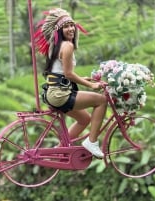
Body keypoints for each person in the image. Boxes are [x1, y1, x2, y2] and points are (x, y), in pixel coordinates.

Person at [34, 8, 107, 158]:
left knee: (85, 119)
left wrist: (83, 79)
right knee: (102, 100)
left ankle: (60, 149)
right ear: (59, 31)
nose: (71, 29)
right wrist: (91, 85)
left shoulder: (57, 46)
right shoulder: (67, 46)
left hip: (54, 92)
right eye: (66, 26)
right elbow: (68, 73)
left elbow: (62, 73)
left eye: (72, 25)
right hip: (60, 94)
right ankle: (92, 142)